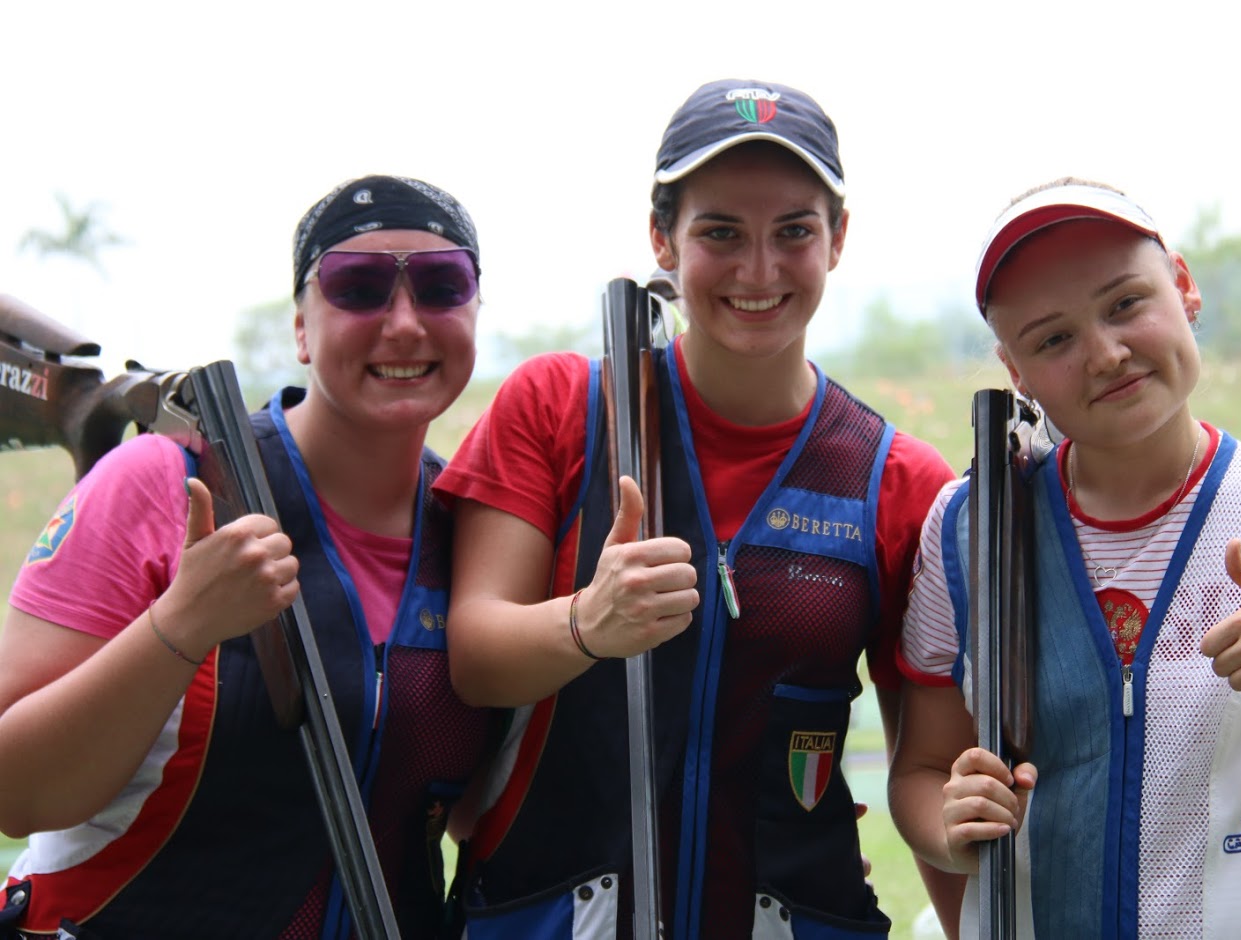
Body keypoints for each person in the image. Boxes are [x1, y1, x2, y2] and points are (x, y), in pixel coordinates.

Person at [435, 79, 959, 937]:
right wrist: (587, 624)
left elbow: (924, 767)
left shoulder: (897, 477)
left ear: (838, 239)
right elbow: (475, 657)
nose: (759, 270)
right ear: (662, 238)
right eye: (720, 232)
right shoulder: (558, 406)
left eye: (794, 231)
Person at [888, 178, 1241, 938]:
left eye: (1126, 303)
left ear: (1184, 287)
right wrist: (950, 825)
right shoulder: (969, 530)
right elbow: (920, 771)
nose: (1106, 354)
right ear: (1015, 370)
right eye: (1053, 340)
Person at [0, 175, 503, 938]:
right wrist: (181, 625)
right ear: (301, 328)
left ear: (474, 313)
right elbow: (15, 793)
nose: (404, 324)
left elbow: (478, 813)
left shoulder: (475, 529)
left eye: (441, 286)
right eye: (358, 287)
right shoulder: (163, 480)